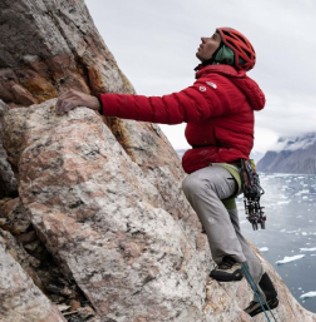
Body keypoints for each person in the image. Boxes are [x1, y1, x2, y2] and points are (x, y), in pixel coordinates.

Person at [56, 27, 278, 316]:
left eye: (213, 38)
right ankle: (267, 292)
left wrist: (99, 103)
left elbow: (168, 108)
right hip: (231, 169)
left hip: (226, 171)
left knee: (198, 186)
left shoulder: (220, 86)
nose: (203, 39)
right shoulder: (222, 83)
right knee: (233, 234)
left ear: (225, 52)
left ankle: (230, 261)